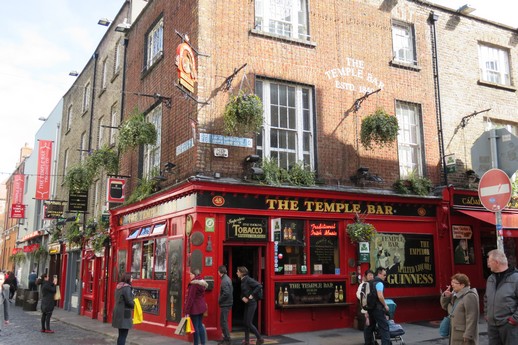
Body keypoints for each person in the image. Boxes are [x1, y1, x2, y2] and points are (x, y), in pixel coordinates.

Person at [485, 249, 518, 345]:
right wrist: (487, 314)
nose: (488, 265)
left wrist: (514, 319)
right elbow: (486, 298)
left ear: (496, 262)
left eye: (489, 262)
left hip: (509, 326)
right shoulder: (491, 279)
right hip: (492, 326)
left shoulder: (516, 278)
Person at [440, 273, 479, 344]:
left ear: (462, 285)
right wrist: (446, 296)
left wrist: (468, 334)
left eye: (455, 283)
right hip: (455, 332)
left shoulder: (469, 296)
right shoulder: (454, 294)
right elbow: (445, 307)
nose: (452, 284)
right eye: (452, 282)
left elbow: (472, 317)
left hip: (463, 334)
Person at [236, 266, 264, 345]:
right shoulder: (242, 280)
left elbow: (259, 285)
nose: (236, 273)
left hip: (252, 303)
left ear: (242, 272)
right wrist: (242, 298)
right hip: (247, 303)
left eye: (237, 271)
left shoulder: (248, 279)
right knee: (245, 322)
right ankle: (247, 341)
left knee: (248, 322)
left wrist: (252, 295)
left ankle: (260, 338)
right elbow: (242, 293)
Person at [364, 267, 390, 345]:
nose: (385, 277)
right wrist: (385, 305)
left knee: (370, 328)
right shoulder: (379, 283)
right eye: (384, 275)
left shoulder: (370, 282)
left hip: (370, 309)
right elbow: (380, 296)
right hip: (378, 309)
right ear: (379, 274)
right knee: (384, 328)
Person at [185, 268, 208, 345]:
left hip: (195, 308)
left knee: (195, 327)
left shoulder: (194, 284)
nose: (190, 276)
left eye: (191, 274)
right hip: (201, 307)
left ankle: (196, 343)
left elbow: (190, 298)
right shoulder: (202, 283)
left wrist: (187, 310)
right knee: (200, 325)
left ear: (194, 275)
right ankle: (203, 343)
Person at [112, 272, 135, 345]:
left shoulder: (118, 287)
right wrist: (135, 305)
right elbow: (129, 301)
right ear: (127, 278)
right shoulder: (127, 288)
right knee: (123, 335)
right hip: (124, 313)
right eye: (131, 277)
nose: (132, 279)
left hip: (118, 312)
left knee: (121, 334)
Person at [217, 265, 233, 345]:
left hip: (225, 304)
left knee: (223, 322)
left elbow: (226, 293)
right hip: (227, 303)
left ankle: (227, 340)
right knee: (223, 321)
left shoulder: (224, 280)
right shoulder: (227, 279)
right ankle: (226, 338)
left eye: (218, 271)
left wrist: (220, 300)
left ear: (220, 272)